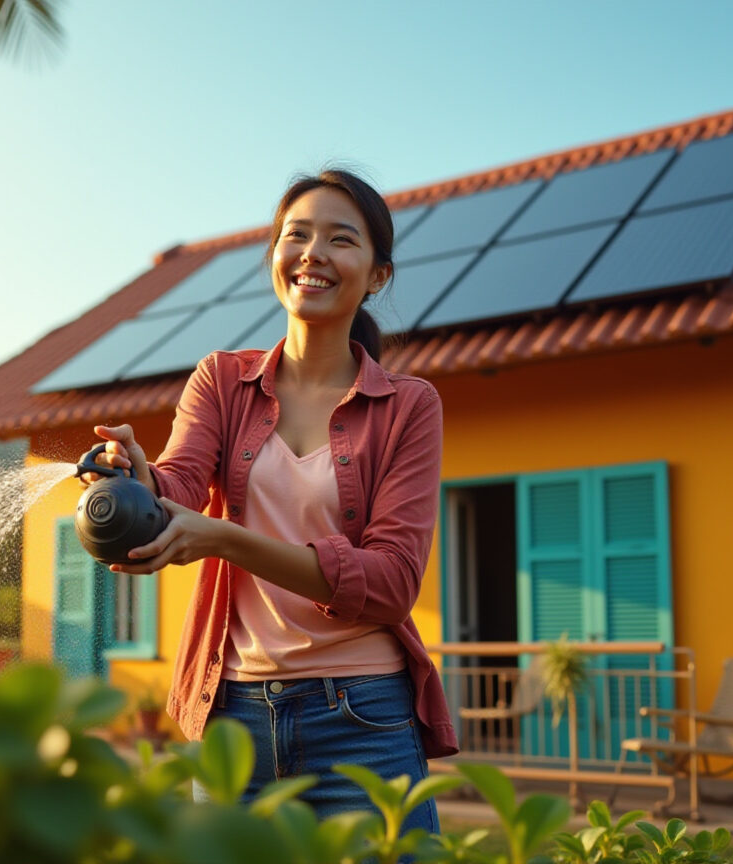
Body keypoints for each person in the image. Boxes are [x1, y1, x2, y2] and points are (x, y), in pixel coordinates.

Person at [86, 168, 456, 831]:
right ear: (276, 258)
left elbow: (392, 582)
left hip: (364, 716)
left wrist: (227, 539)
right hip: (234, 716)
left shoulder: (409, 407)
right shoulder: (223, 381)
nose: (313, 253)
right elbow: (177, 480)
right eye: (297, 235)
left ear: (377, 275)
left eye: (341, 239)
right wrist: (134, 478)